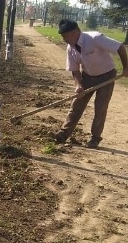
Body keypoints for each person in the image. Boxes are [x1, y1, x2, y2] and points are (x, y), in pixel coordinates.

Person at [53, 18, 128, 148]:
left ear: (75, 32)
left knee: (100, 108)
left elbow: (120, 47)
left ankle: (95, 138)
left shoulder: (95, 38)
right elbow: (75, 70)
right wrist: (78, 85)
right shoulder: (70, 48)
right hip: (87, 77)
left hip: (107, 76)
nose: (63, 39)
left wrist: (126, 67)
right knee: (76, 105)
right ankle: (63, 133)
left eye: (65, 35)